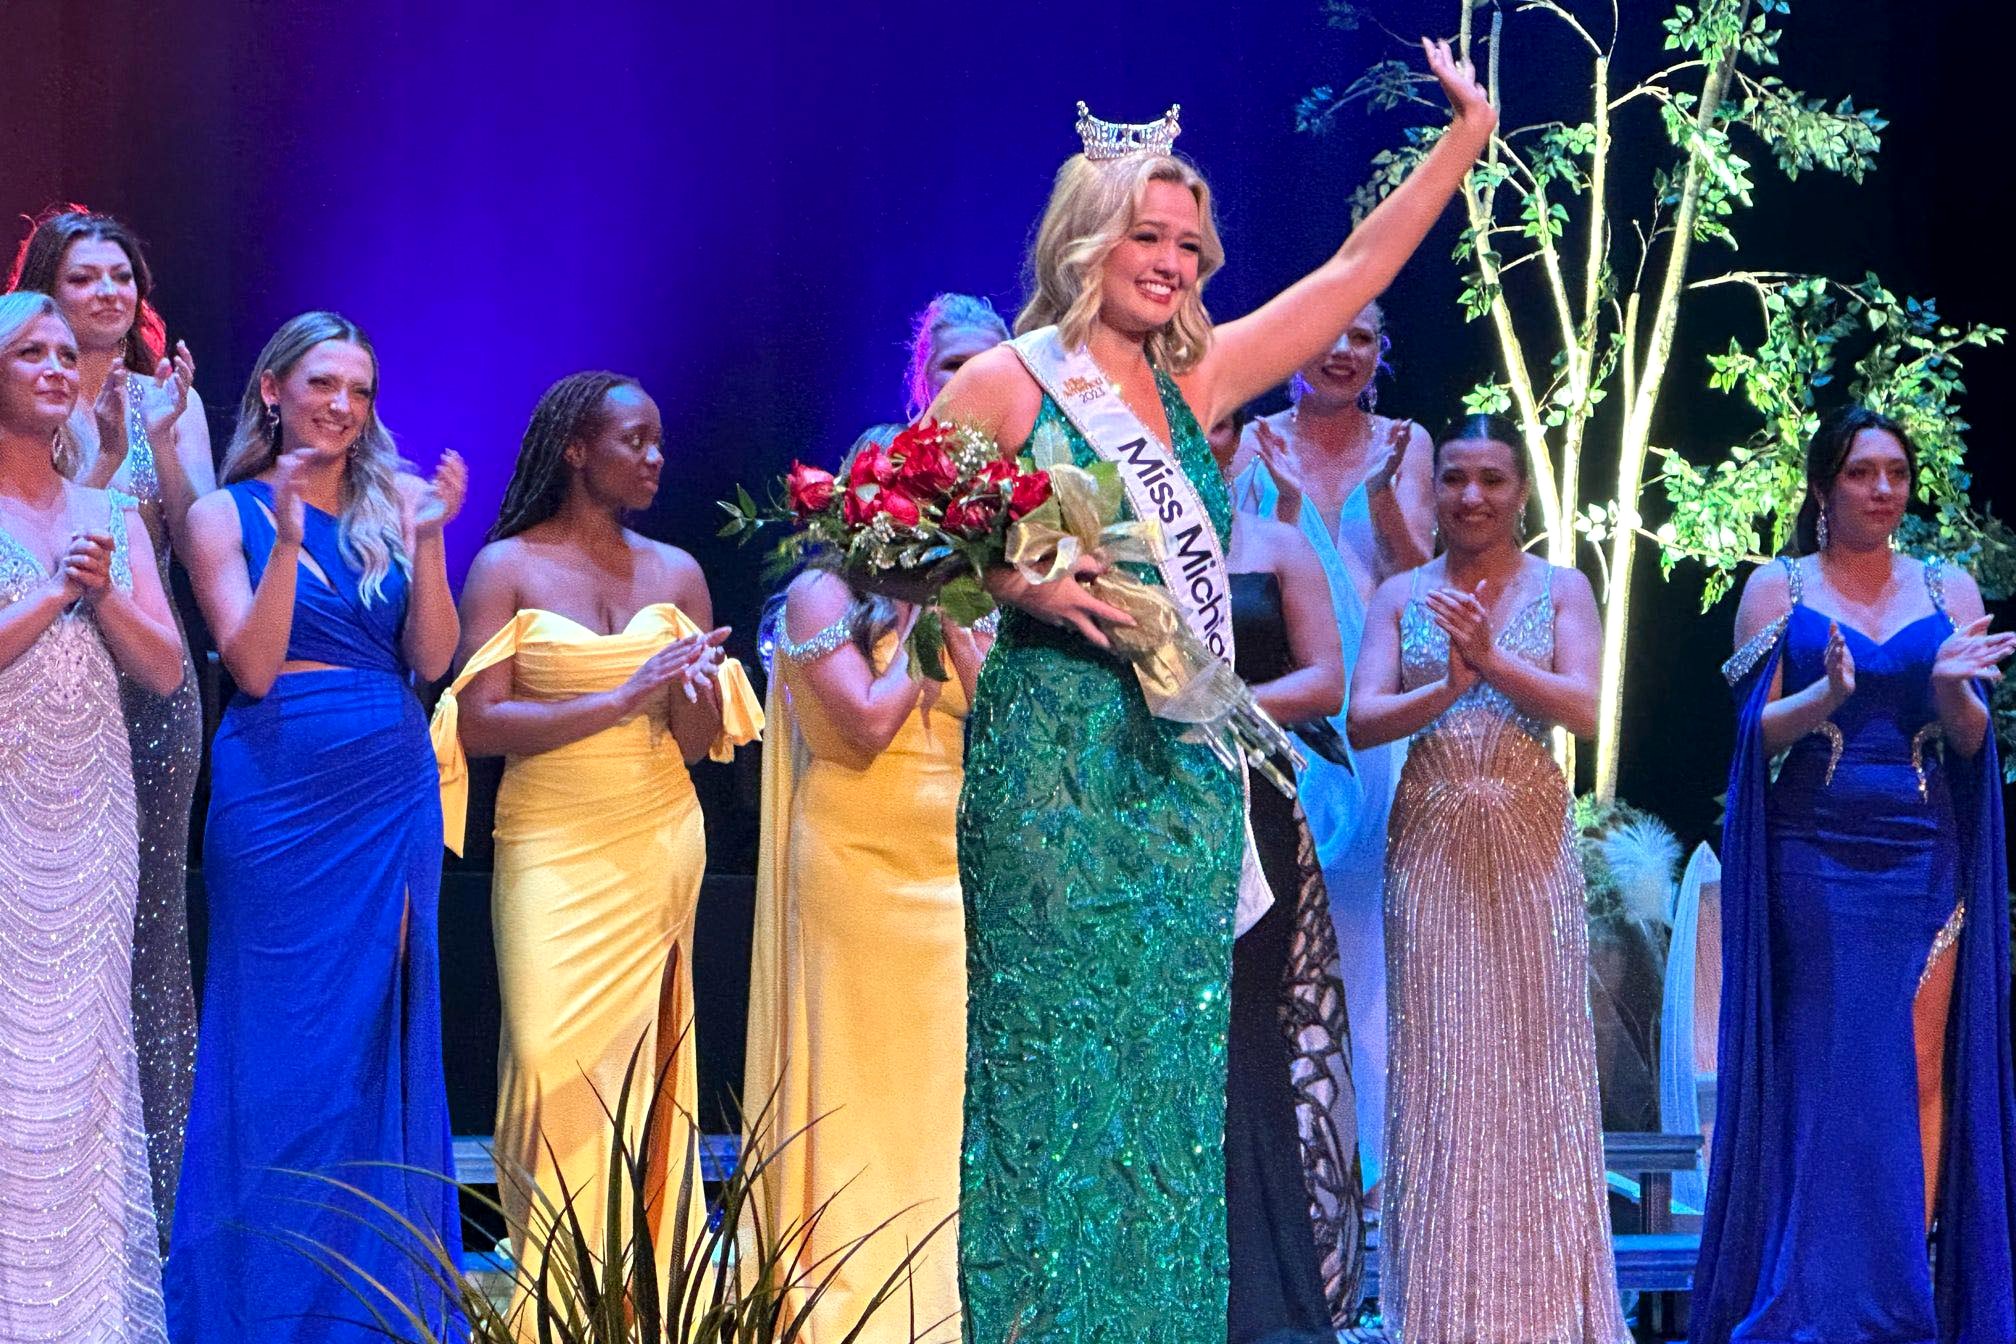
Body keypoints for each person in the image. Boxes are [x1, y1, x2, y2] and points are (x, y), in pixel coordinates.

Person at [923, 43, 1491, 1342]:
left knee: (1172, 1087)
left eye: (1190, 241)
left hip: (1176, 778)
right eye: (1149, 235)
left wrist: (1463, 139)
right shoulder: (1007, 383)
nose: (1175, 261)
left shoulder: (1200, 380)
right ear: (1087, 238)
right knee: (1054, 1073)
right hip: (1055, 768)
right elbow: (892, 547)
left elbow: (1354, 274)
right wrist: (1020, 587)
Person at [437, 370, 760, 1325]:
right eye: (635, 440)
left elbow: (701, 748)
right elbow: (480, 724)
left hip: (659, 829)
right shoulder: (505, 567)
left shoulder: (679, 574)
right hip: (549, 836)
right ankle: (551, 1300)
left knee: (647, 1076)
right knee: (548, 1059)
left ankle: (642, 1300)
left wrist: (694, 690)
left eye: (660, 442)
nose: (655, 458)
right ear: (576, 449)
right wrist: (623, 696)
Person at [168, 311, 466, 1341]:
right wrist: (289, 542)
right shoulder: (221, 514)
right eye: (325, 383)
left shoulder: (395, 504)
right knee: (281, 1050)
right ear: (273, 390)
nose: (344, 405)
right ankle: (263, 1304)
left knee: (370, 1040)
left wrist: (429, 539)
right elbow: (248, 667)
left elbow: (432, 657)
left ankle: (367, 1307)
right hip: (278, 796)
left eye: (362, 391)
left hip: (388, 789)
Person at [1691, 406, 2016, 1344]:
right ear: (1826, 485)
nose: (1883, 490)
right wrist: (1827, 694)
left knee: (1916, 1066)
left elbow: (1968, 742)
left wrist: (1956, 689)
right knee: (1829, 1066)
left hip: (1923, 852)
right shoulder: (1778, 587)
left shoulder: (1948, 586)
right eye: (1863, 472)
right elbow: (1754, 735)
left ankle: (1900, 1290)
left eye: (1896, 473)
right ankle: (1817, 1293)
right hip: (1815, 851)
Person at [1347, 415, 1624, 1342]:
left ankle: (1542, 1307)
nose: (1470, 497)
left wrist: (1493, 659)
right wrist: (1451, 686)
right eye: (1455, 479)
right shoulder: (1400, 592)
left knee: (1533, 1057)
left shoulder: (1562, 586)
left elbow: (1583, 710)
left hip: (1529, 827)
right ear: (1435, 492)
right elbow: (1364, 718)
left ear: (1519, 493)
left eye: (1491, 480)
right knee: (1441, 1058)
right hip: (1429, 833)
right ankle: (1442, 1308)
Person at [9, 206, 211, 1242]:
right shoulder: (28, 413)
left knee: (141, 938)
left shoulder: (157, 402)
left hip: (140, 675)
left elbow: (194, 536)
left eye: (123, 277)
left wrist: (166, 443)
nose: (110, 295)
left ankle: (140, 1204)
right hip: (29, 707)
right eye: (85, 278)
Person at [743, 566, 985, 1344]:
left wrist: (962, 624)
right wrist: (920, 626)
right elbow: (867, 723)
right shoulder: (824, 594)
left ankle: (937, 1290)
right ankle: (852, 1283)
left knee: (938, 1084)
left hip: (945, 866)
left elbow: (995, 710)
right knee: (853, 1072)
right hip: (853, 859)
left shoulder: (966, 593)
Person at [1230, 299, 1432, 1197]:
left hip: (1376, 710)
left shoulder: (1407, 443)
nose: (1343, 351)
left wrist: (1383, 496)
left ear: (1383, 353)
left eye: (1363, 337)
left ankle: (1370, 1167)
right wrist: (1276, 502)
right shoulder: (1246, 438)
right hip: (1274, 708)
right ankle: (1283, 1160)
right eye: (1328, 334)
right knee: (1274, 924)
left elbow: (1423, 576)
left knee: (1367, 935)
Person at [1206, 412, 1364, 1340]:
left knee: (1247, 1032)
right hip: (1149, 807)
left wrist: (1212, 707)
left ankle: (1264, 1296)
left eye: (1225, 424)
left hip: (1252, 800)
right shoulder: (1120, 542)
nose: (1210, 438)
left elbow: (1324, 681)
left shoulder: (1274, 546)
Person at [849, 292, 1010, 459]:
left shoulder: (1025, 461)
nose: (969, 377)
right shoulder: (879, 448)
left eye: (983, 366)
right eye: (954, 365)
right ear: (923, 373)